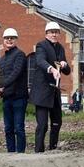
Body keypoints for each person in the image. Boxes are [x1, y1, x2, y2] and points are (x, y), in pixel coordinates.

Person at [29, 21, 70, 152]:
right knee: (42, 125)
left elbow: (67, 71)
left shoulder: (60, 48)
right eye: (51, 32)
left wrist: (64, 64)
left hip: (54, 92)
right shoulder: (41, 46)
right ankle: (39, 151)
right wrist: (51, 69)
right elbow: (40, 61)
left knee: (57, 122)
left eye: (56, 32)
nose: (54, 34)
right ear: (46, 33)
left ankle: (53, 149)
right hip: (42, 91)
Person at [0, 28, 28, 153]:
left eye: (12, 38)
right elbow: (2, 77)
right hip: (7, 98)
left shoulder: (20, 54)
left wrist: (2, 85)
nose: (9, 40)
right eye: (6, 38)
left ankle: (20, 154)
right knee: (8, 128)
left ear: (16, 40)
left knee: (19, 127)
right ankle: (10, 153)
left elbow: (16, 73)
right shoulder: (2, 59)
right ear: (3, 40)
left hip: (19, 97)